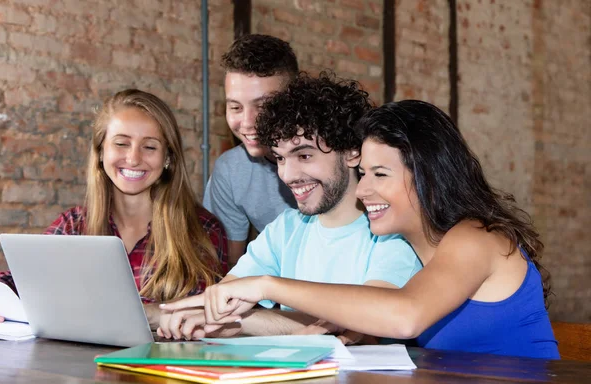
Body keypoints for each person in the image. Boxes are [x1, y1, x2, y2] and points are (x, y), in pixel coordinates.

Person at [161, 100, 560, 359]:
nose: (364, 189)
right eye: (363, 173)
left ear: (428, 176)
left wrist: (267, 286)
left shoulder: (477, 237)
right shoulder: (412, 249)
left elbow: (405, 316)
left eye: (381, 174)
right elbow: (360, 319)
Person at [158, 73, 422, 341]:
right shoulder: (286, 228)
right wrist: (199, 316)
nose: (288, 175)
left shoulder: (391, 231)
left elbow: (369, 324)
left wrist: (265, 291)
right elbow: (226, 301)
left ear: (352, 152)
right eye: (281, 158)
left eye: (305, 156)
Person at [0, 89, 229, 328]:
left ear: (168, 158)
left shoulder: (201, 230)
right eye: (121, 143)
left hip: (162, 363)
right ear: (101, 152)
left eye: (150, 147)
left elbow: (207, 312)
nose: (134, 158)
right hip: (76, 362)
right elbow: (21, 280)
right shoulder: (73, 225)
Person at [203, 34, 299, 267]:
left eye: (263, 106)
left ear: (295, 99)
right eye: (235, 107)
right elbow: (228, 270)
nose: (247, 122)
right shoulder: (231, 171)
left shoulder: (338, 159)